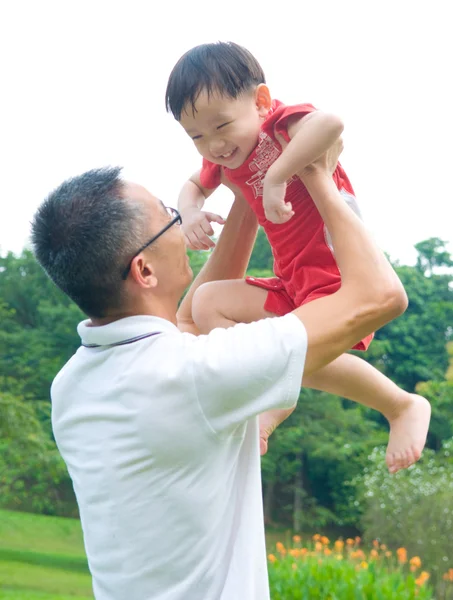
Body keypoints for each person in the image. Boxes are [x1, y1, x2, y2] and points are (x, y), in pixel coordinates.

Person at [31, 148, 412, 599]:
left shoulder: (73, 386)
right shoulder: (194, 375)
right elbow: (380, 297)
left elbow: (188, 326)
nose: (181, 222)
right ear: (144, 269)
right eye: (170, 218)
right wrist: (316, 176)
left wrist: (246, 198)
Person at [166, 41, 431, 474]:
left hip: (334, 270)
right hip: (292, 278)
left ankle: (399, 405)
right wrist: (191, 212)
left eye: (221, 125)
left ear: (262, 101)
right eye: (196, 136)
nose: (213, 144)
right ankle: (268, 390)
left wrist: (278, 175)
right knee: (207, 302)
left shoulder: (279, 126)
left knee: (298, 353)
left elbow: (330, 123)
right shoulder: (224, 158)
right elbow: (193, 185)